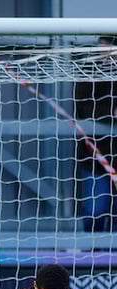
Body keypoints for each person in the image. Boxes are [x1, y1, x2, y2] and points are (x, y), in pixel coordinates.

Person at [75, 36, 117, 232]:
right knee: (95, 210)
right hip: (93, 155)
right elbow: (85, 110)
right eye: (103, 44)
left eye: (110, 45)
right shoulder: (88, 72)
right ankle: (93, 255)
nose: (106, 49)